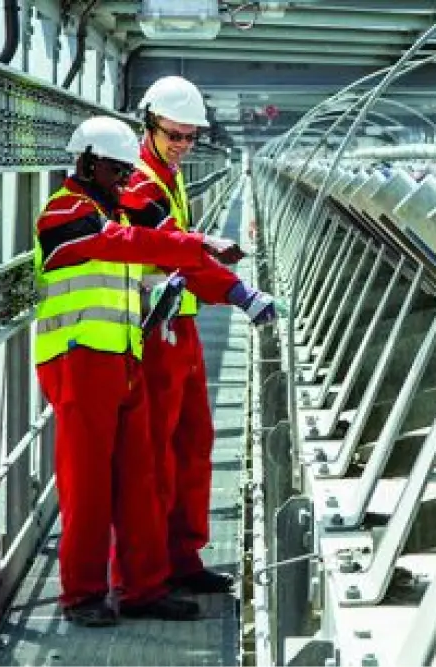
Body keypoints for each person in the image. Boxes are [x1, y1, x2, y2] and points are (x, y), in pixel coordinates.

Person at [35, 116, 280, 627]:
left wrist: (228, 285)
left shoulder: (110, 211)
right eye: (114, 169)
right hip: (78, 362)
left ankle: (142, 587)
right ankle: (81, 594)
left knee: (140, 478)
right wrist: (196, 244)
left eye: (128, 171)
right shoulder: (64, 214)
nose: (124, 179)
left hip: (124, 358)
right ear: (84, 162)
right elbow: (132, 244)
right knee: (88, 485)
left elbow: (156, 249)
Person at [121, 75, 280, 594]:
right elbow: (174, 249)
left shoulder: (171, 176)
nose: (183, 145)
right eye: (174, 134)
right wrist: (240, 294)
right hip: (153, 332)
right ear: (149, 125)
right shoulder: (140, 183)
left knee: (194, 443)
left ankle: (183, 555)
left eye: (190, 137)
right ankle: (145, 572)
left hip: (180, 325)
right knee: (154, 453)